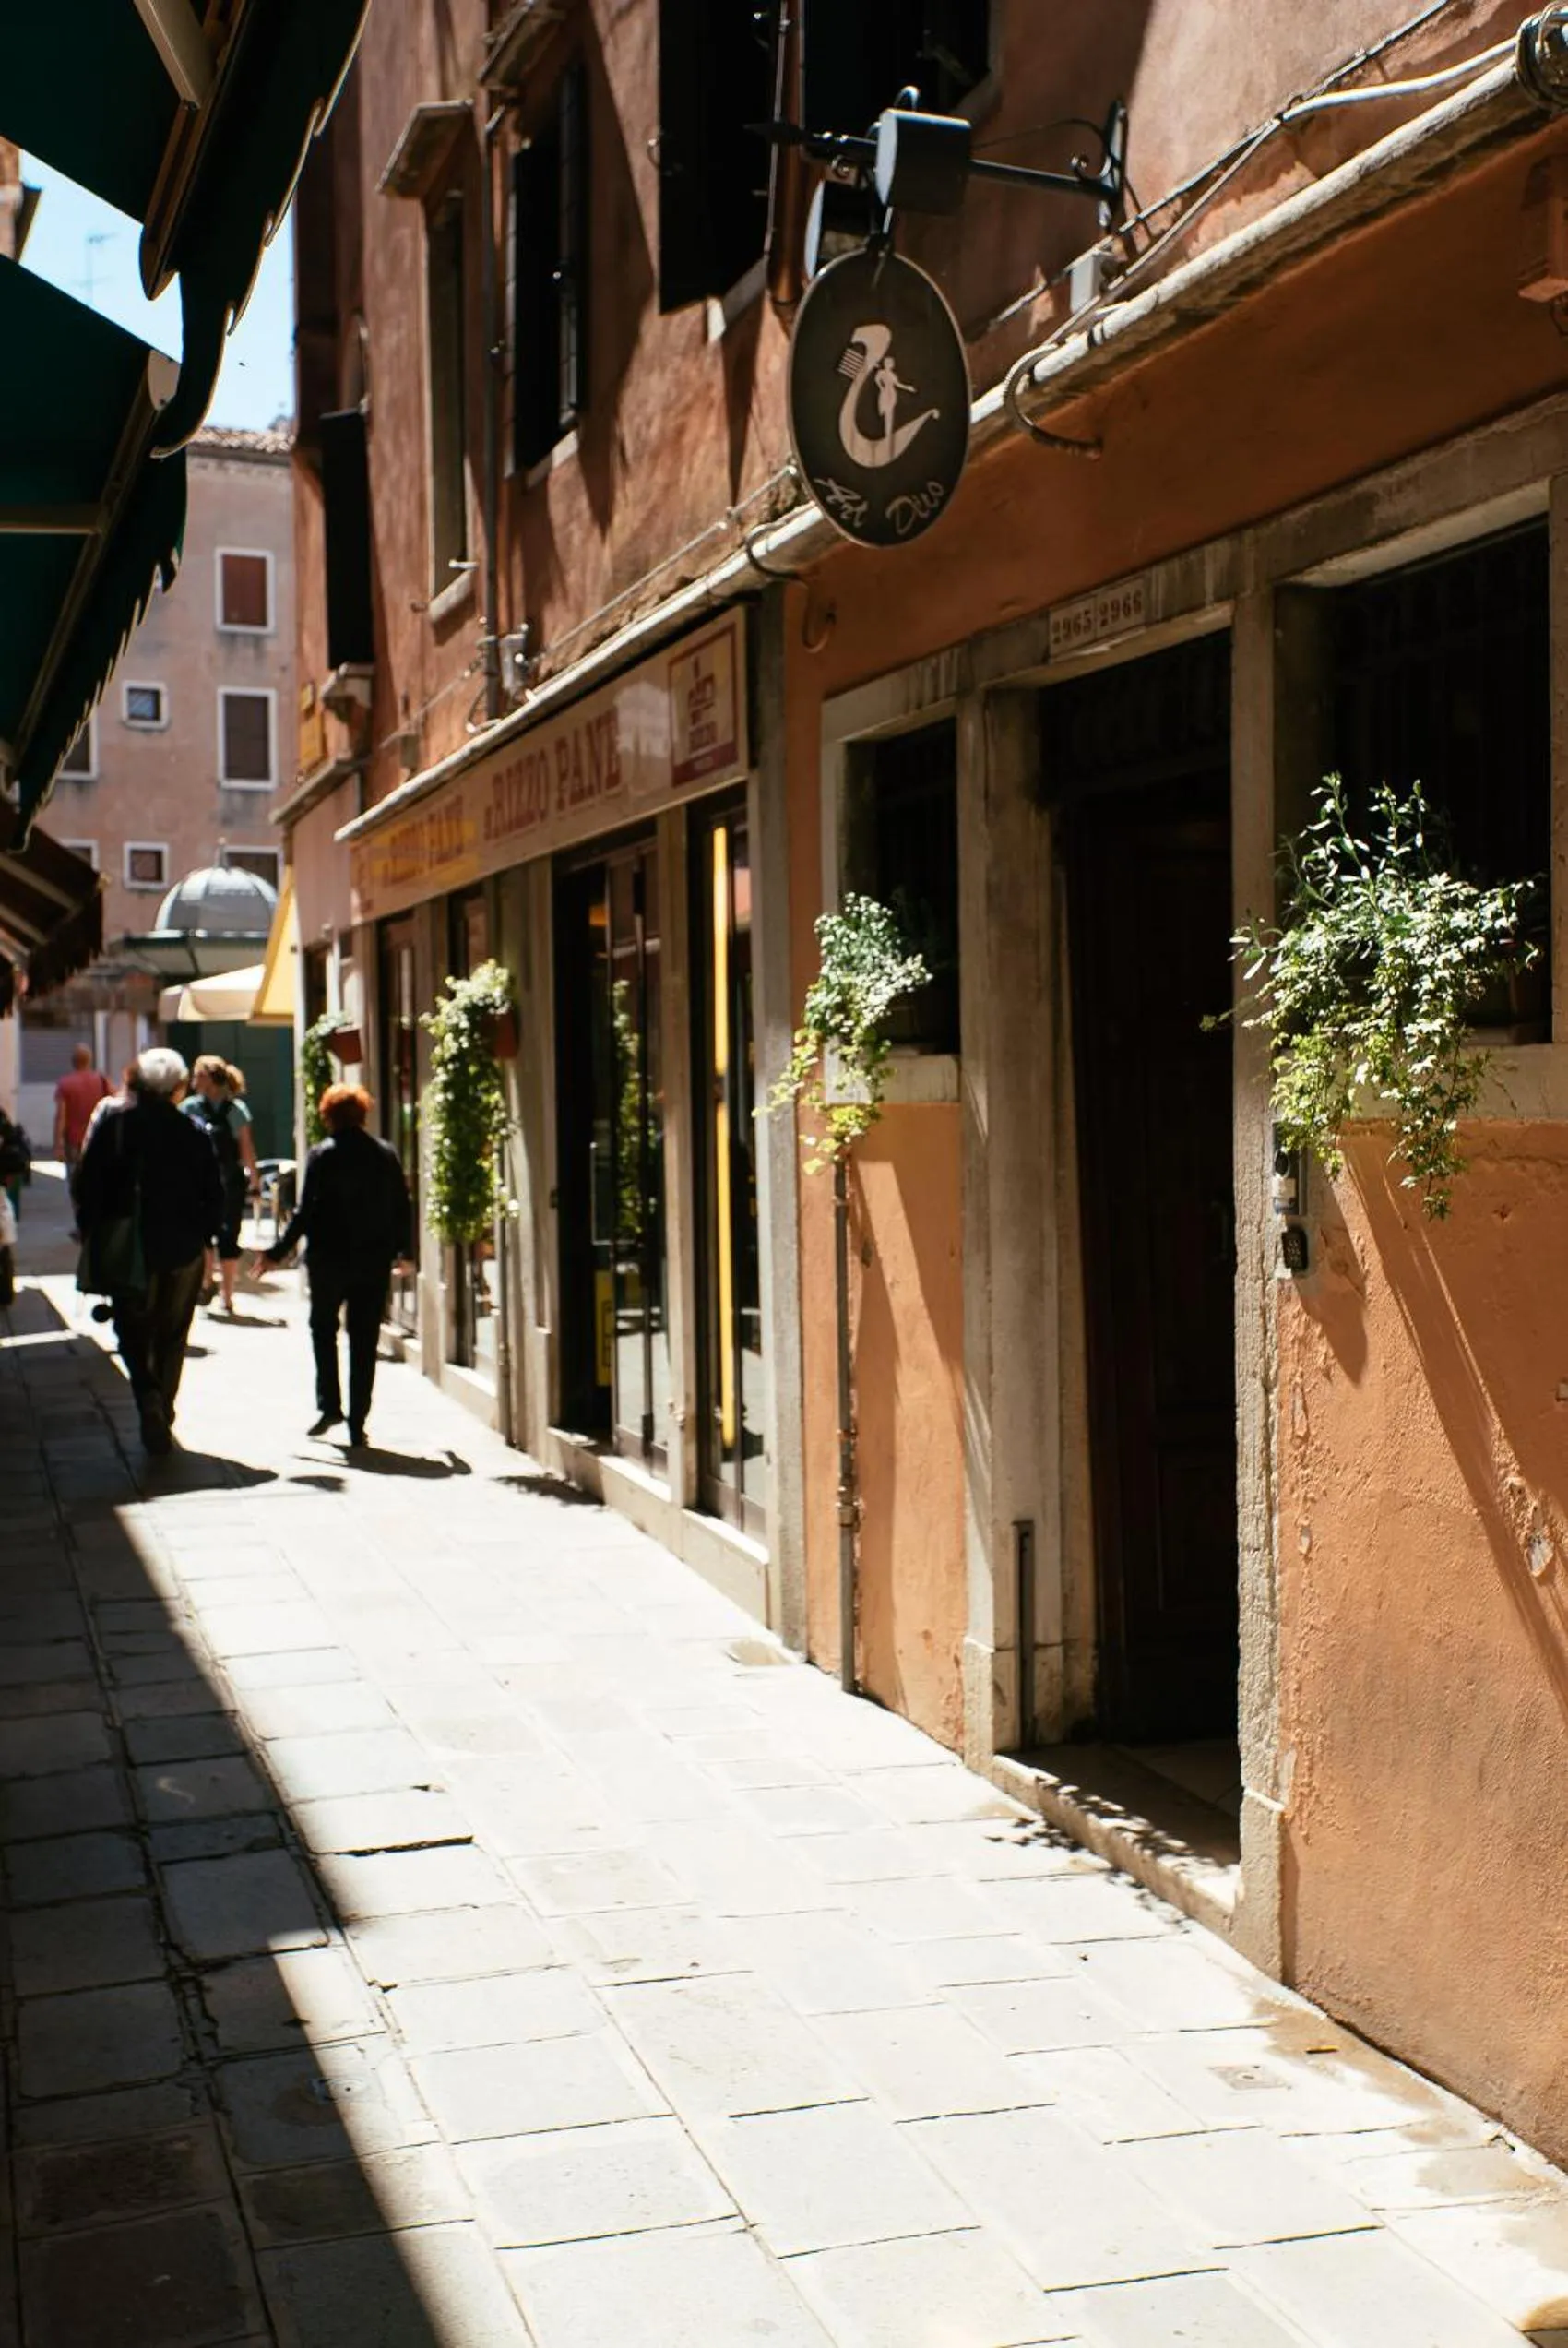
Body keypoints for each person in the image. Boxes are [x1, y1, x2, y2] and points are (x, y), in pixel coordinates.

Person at [75, 1046, 222, 1455]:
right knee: (173, 1334)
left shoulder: (116, 1128)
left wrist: (94, 1235)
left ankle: (147, 1397)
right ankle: (165, 1403)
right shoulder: (193, 1132)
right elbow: (215, 1196)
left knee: (132, 1331)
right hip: (181, 1250)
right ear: (177, 1087)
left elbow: (87, 1187)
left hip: (129, 1249)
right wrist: (203, 1239)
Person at [251, 1082, 411, 1447]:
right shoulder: (384, 1154)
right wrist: (405, 1251)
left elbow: (306, 1212)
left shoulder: (323, 1155)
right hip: (372, 1260)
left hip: (329, 1260)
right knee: (364, 1337)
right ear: (363, 1114)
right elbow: (402, 1206)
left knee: (323, 1330)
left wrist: (277, 1253)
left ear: (329, 1116)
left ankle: (330, 1405)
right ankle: (358, 1419)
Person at [182, 1055, 260, 1313]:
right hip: (215, 1183)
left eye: (197, 1075)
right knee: (217, 1235)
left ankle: (223, 1291)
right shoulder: (193, 1107)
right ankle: (213, 1285)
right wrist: (253, 1179)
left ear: (208, 1079)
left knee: (220, 1236)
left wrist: (255, 1180)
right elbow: (247, 1149)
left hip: (213, 1183)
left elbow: (246, 1148)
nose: (193, 1080)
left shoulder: (224, 1110)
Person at [54, 1043, 111, 1237]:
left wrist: (58, 1145)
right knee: (99, 1181)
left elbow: (61, 1116)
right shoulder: (101, 1081)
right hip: (98, 1141)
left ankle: (82, 1224)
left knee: (76, 1184)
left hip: (74, 1142)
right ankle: (99, 1222)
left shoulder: (65, 1084)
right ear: (90, 1060)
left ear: (73, 1062)